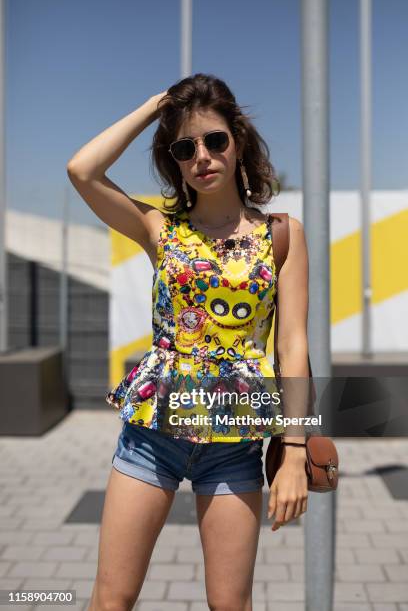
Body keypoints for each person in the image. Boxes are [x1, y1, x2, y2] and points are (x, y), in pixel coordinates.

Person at [67, 73, 310, 611]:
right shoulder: (160, 228)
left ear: (238, 141)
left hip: (234, 446)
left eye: (214, 140)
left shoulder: (282, 235)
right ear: (174, 160)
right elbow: (82, 171)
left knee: (230, 604)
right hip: (152, 437)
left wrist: (293, 451)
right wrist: (157, 106)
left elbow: (292, 348)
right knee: (111, 599)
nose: (201, 155)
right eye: (184, 147)